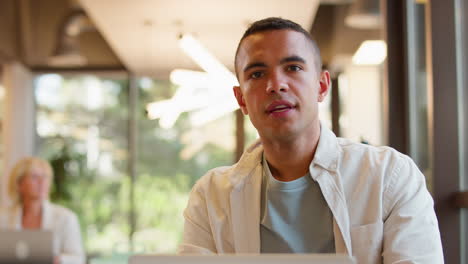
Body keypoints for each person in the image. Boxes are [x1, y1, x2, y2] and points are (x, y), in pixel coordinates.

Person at [179, 17, 444, 263]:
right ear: (241, 100)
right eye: (257, 74)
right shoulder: (211, 196)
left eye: (293, 67)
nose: (276, 85)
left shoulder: (390, 175)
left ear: (322, 86)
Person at [0, 157, 85, 264]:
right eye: (34, 177)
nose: (42, 182)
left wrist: (58, 260)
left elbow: (78, 259)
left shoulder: (66, 218)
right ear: (19, 184)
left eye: (45, 177)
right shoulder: (3, 218)